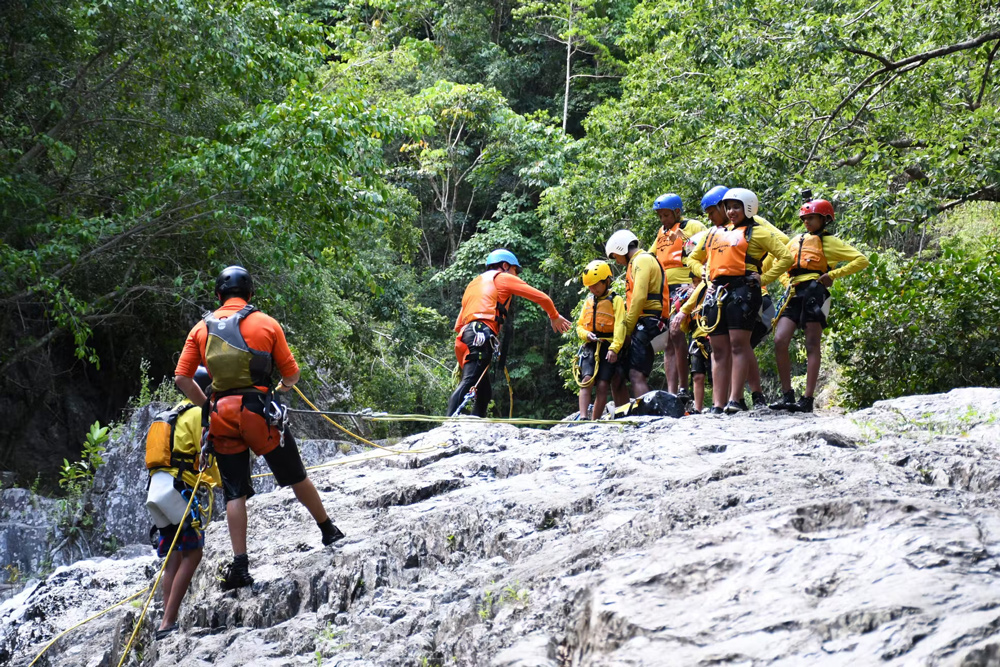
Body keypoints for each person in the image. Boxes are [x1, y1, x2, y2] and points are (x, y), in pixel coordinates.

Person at [174, 266, 344, 592]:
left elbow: (182, 377)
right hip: (260, 413)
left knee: (235, 492)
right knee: (295, 475)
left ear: (218, 295)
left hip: (222, 415)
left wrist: (207, 405)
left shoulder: (200, 328)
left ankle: (240, 566)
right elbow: (292, 374)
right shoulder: (266, 323)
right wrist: (280, 388)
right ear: (250, 293)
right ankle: (327, 529)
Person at [770, 199, 870, 413]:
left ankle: (807, 399)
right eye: (804, 219)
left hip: (815, 292)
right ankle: (787, 395)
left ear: (824, 219)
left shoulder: (830, 242)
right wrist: (787, 283)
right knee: (780, 340)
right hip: (794, 293)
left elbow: (861, 260)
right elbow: (777, 263)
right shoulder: (795, 240)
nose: (807, 222)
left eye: (811, 218)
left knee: (812, 344)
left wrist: (833, 274)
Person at [448, 249, 572, 417]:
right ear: (505, 266)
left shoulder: (473, 284)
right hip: (480, 335)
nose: (516, 275)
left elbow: (458, 324)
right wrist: (554, 316)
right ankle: (449, 422)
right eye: (515, 270)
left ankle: (474, 424)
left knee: (483, 393)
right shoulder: (503, 278)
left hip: (466, 336)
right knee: (469, 381)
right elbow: (542, 298)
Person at [699, 189, 792, 413]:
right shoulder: (717, 234)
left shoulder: (759, 232)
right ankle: (718, 404)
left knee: (738, 346)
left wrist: (764, 278)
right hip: (718, 292)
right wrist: (704, 274)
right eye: (728, 207)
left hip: (744, 291)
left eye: (736, 207)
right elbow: (702, 260)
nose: (731, 212)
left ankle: (735, 399)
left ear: (748, 207)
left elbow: (786, 257)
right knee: (717, 349)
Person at [145, 366, 221, 639]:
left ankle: (166, 620)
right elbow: (206, 456)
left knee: (173, 556)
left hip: (156, 491)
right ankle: (167, 622)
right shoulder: (200, 414)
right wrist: (221, 483)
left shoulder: (171, 413)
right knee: (193, 552)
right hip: (178, 491)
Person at [649, 193, 706, 400]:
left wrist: (695, 284)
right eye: (660, 216)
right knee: (668, 340)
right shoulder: (661, 232)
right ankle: (672, 393)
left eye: (666, 215)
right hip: (665, 289)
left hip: (686, 285)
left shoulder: (693, 226)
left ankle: (683, 387)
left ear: (677, 212)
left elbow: (705, 247)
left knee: (677, 332)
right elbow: (651, 256)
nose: (663, 220)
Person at [606, 229, 667, 397]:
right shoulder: (637, 262)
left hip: (649, 320)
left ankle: (646, 411)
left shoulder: (642, 260)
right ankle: (625, 410)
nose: (617, 261)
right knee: (620, 372)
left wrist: (627, 327)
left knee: (636, 374)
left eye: (615, 256)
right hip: (644, 320)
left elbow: (639, 297)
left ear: (621, 249)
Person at [575, 260, 627, 420]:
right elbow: (579, 326)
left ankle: (594, 420)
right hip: (591, 345)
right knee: (586, 380)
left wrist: (614, 348)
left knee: (603, 385)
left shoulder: (616, 300)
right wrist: (586, 334)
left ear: (606, 281)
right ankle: (583, 417)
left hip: (608, 346)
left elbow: (620, 325)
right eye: (590, 286)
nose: (593, 289)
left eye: (596, 285)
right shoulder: (589, 301)